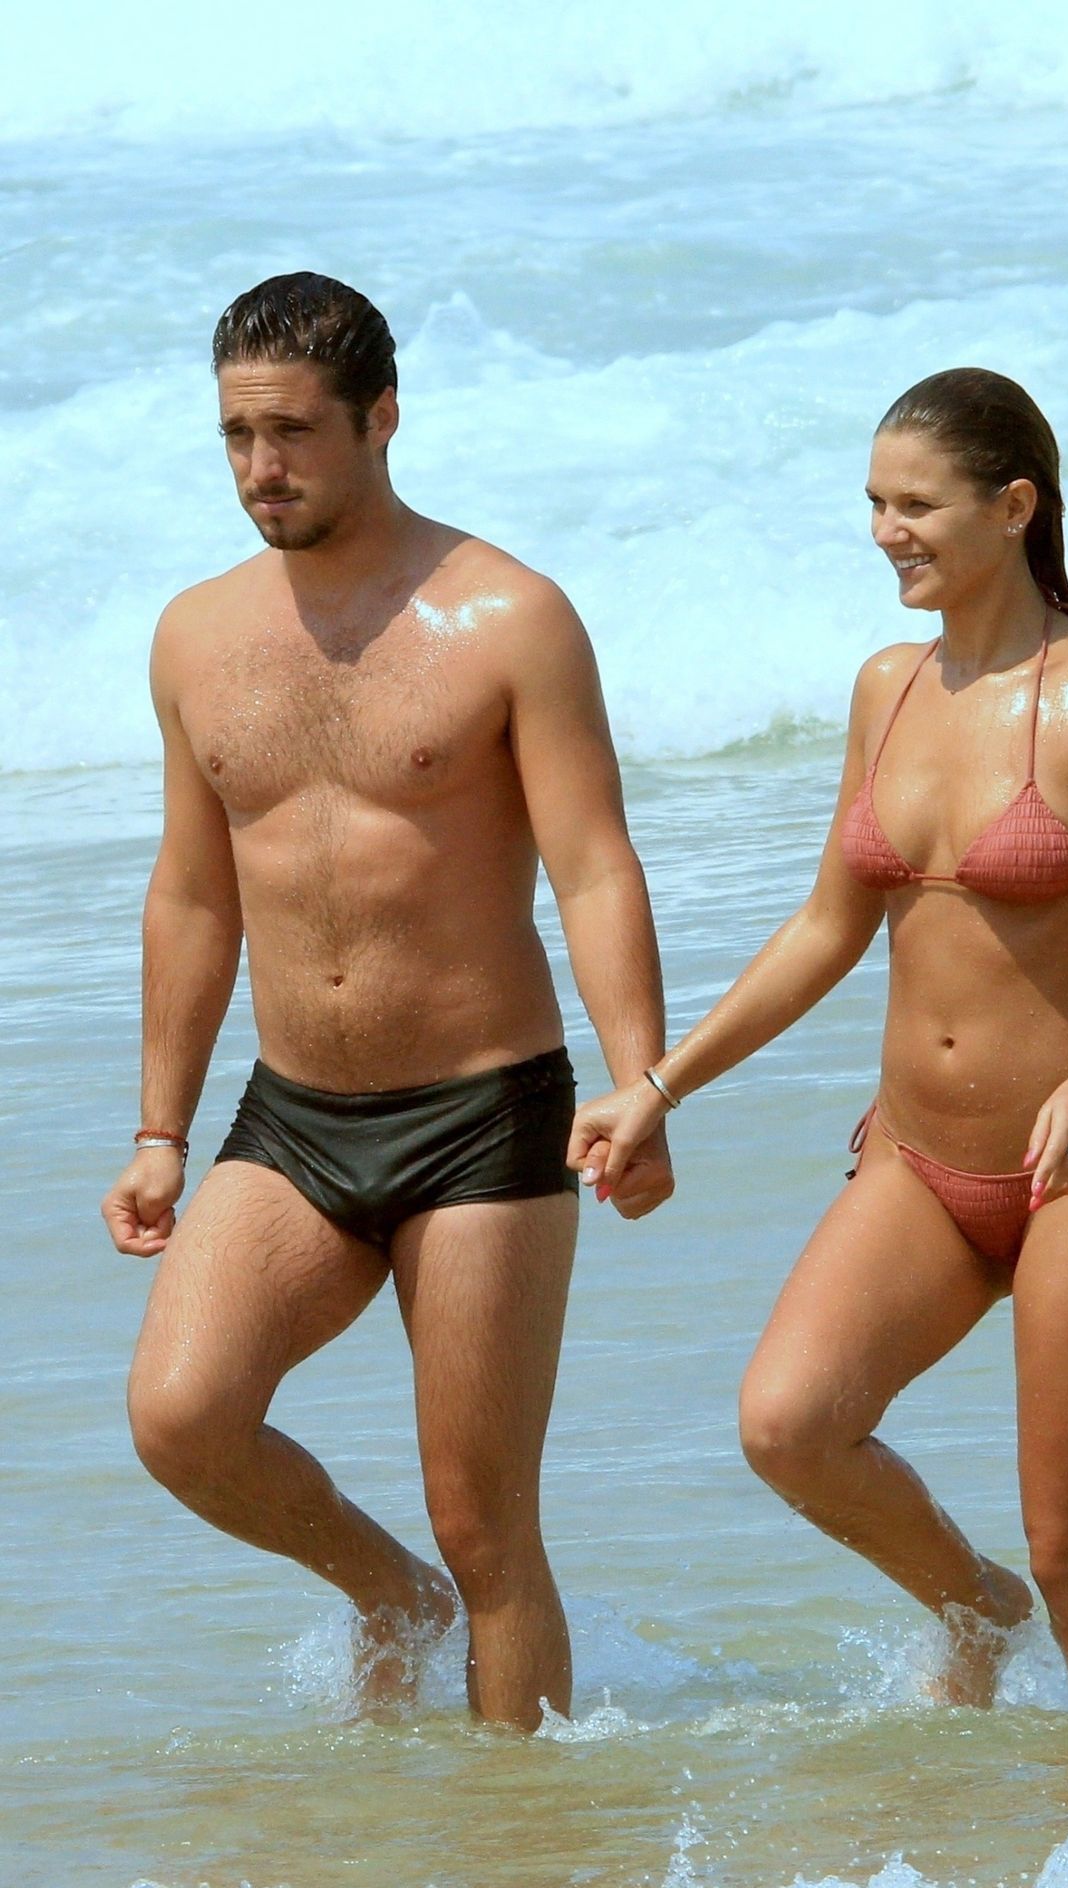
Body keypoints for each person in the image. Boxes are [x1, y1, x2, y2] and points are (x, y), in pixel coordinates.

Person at [570, 368, 1068, 1717]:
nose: (884, 531)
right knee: (789, 1424)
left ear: (1014, 507)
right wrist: (658, 1086)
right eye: (873, 502)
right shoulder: (886, 689)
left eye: (915, 504)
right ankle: (976, 1604)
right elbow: (826, 927)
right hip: (918, 1158)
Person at [101, 271, 673, 1730]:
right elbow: (193, 895)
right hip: (293, 1119)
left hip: (484, 1116)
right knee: (181, 1417)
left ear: (382, 419)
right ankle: (387, 1594)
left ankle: (518, 1828)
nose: (260, 468)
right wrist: (162, 1131)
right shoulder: (192, 637)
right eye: (236, 436)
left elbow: (593, 865)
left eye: (292, 432)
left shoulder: (511, 617)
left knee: (485, 1525)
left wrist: (641, 1081)